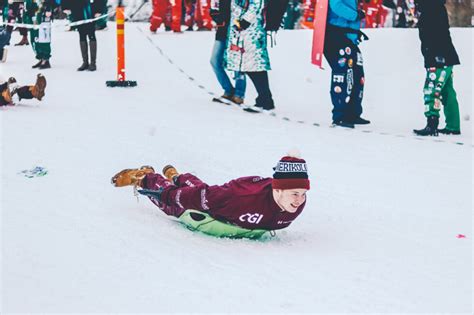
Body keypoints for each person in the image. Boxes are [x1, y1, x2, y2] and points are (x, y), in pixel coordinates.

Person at [111, 152, 310, 235]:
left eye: (303, 193)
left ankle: (177, 176)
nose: (300, 200)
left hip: (220, 202)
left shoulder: (295, 202)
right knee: (174, 204)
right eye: (295, 194)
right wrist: (167, 194)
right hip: (213, 217)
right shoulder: (242, 198)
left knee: (206, 193)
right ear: (278, 190)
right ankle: (144, 177)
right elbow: (202, 196)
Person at [413, 0, 461, 136]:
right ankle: (453, 125)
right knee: (447, 91)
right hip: (446, 55)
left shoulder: (430, 7)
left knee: (431, 88)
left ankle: (432, 124)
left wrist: (435, 56)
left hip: (438, 56)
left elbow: (433, 33)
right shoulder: (434, 6)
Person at [323, 0, 370, 128]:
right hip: (337, 34)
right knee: (343, 75)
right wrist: (354, 15)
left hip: (348, 36)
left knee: (357, 74)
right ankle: (340, 115)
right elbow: (336, 4)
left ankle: (352, 113)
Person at [225, 0, 275, 113]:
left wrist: (245, 21)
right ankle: (265, 99)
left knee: (254, 65)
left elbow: (257, 3)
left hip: (251, 30)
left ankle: (265, 100)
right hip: (242, 28)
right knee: (250, 65)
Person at [210, 0, 246, 105]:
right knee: (214, 61)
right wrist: (217, 17)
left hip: (238, 30)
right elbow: (213, 6)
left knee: (237, 62)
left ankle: (239, 94)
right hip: (222, 29)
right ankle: (228, 90)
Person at [62, 0, 106, 71]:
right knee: (82, 35)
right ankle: (85, 62)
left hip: (90, 10)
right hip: (77, 9)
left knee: (91, 35)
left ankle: (93, 63)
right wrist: (65, 6)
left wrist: (99, 10)